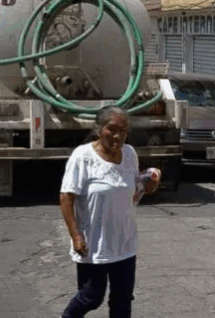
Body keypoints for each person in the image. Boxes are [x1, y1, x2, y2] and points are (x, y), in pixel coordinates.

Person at [59, 105, 161, 318]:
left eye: (123, 130)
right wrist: (76, 236)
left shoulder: (130, 154)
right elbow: (66, 198)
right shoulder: (83, 156)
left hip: (125, 244)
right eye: (111, 129)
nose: (118, 135)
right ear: (99, 129)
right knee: (91, 297)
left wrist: (149, 185)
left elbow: (135, 191)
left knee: (122, 302)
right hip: (94, 246)